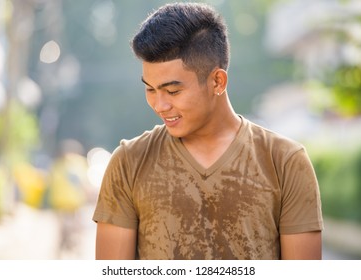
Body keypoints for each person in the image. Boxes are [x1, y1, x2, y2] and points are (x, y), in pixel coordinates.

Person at [93, 2, 323, 260]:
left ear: (217, 81)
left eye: (172, 91)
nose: (160, 104)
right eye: (150, 89)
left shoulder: (285, 162)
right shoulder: (128, 163)